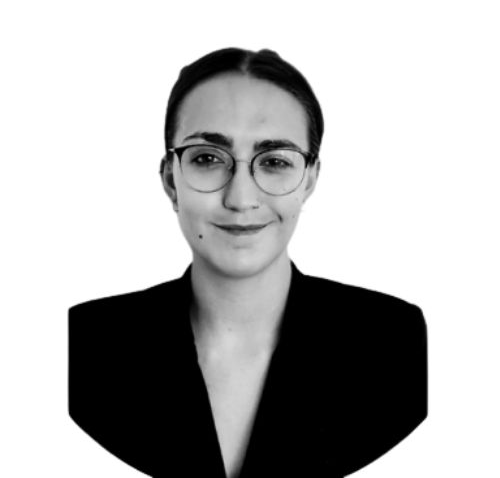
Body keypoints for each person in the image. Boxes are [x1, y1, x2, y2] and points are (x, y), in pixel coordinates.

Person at [68, 47, 427, 478]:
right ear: (170, 180)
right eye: (207, 158)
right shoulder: (82, 344)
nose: (240, 199)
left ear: (309, 180)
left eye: (274, 162)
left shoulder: (396, 343)